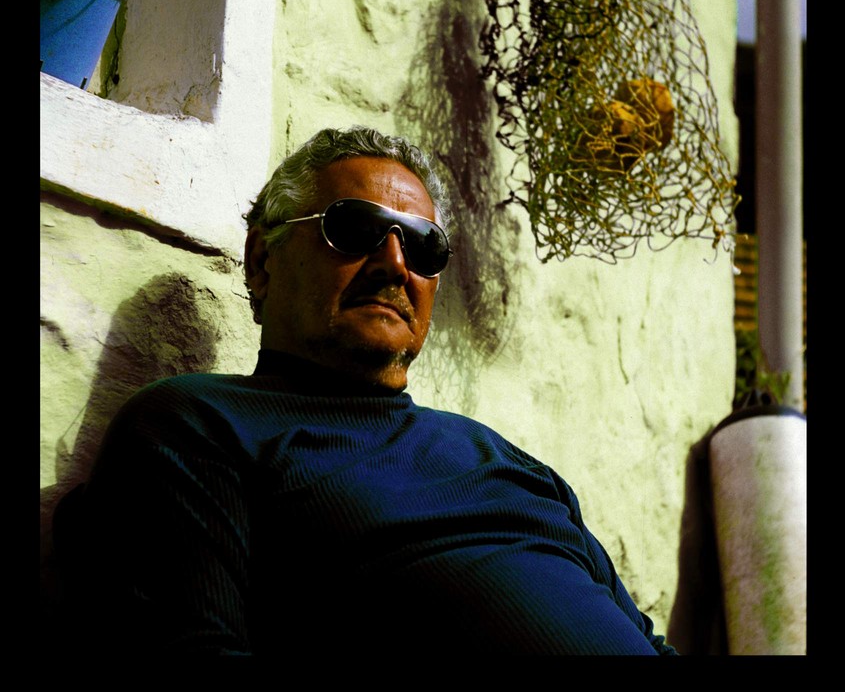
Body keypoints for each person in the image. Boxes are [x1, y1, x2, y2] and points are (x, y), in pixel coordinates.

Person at [51, 126, 678, 656]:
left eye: (423, 245)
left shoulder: (504, 460)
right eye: (354, 229)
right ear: (262, 261)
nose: (394, 263)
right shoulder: (199, 425)